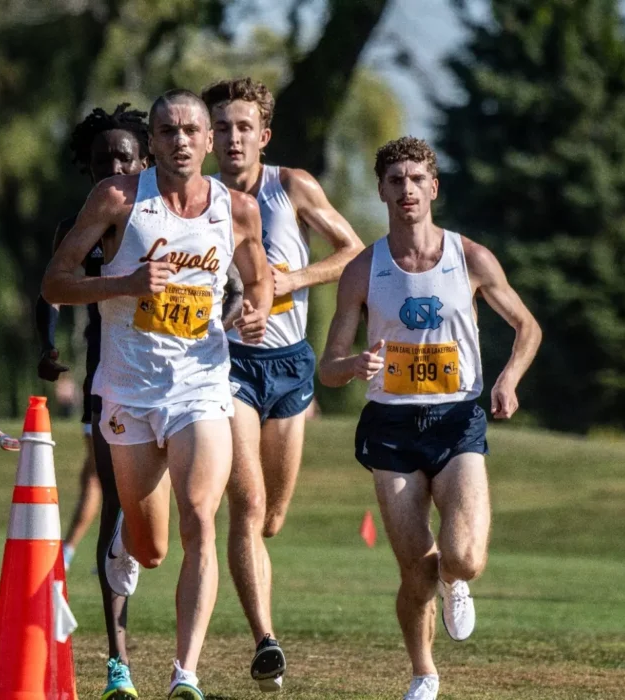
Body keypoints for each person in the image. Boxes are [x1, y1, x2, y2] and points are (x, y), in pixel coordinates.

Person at [42, 89, 272, 700]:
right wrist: (125, 281)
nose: (181, 141)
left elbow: (260, 277)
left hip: (201, 385)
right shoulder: (118, 199)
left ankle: (184, 674)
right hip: (128, 390)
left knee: (201, 516)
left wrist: (256, 311)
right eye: (168, 130)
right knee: (149, 549)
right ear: (155, 141)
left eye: (191, 130)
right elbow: (55, 284)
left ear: (208, 139)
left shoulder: (237, 209)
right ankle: (125, 541)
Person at [318, 137, 541, 700]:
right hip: (391, 425)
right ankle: (424, 673)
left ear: (433, 187)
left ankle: (455, 582)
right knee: (414, 569)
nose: (407, 190)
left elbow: (527, 327)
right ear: (382, 191)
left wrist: (508, 378)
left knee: (463, 558)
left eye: (417, 179)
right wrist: (353, 363)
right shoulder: (363, 270)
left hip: (456, 421)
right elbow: (328, 367)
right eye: (396, 181)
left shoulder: (472, 258)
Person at [201, 76, 364, 692]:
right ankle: (265, 639)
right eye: (223, 127)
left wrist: (292, 281)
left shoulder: (291, 187)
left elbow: (353, 251)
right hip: (229, 366)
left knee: (272, 517)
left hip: (291, 365)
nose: (233, 137)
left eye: (244, 127)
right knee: (244, 507)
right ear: (210, 138)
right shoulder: (199, 201)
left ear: (262, 135)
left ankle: (263, 603)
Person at [35, 102, 152, 700]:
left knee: (180, 517)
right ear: (89, 167)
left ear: (146, 161)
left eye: (125, 157)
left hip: (181, 388)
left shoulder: (175, 218)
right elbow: (51, 293)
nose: (114, 166)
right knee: (117, 510)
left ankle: (190, 664)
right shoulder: (78, 226)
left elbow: (230, 286)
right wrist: (49, 347)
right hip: (110, 383)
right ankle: (118, 660)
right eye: (103, 158)